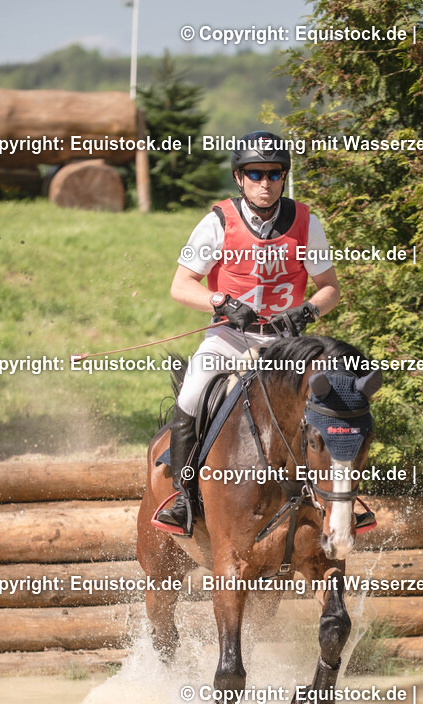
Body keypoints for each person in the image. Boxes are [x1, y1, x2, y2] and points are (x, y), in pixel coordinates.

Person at [157, 129, 340, 535]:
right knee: (192, 393)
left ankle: (338, 501)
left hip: (284, 346)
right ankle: (183, 496)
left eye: (274, 174)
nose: (265, 182)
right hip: (229, 338)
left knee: (332, 399)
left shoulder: (306, 223)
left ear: (284, 177)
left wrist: (308, 309)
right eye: (255, 173)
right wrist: (220, 302)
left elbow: (330, 287)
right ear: (239, 178)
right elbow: (181, 285)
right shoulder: (217, 222)